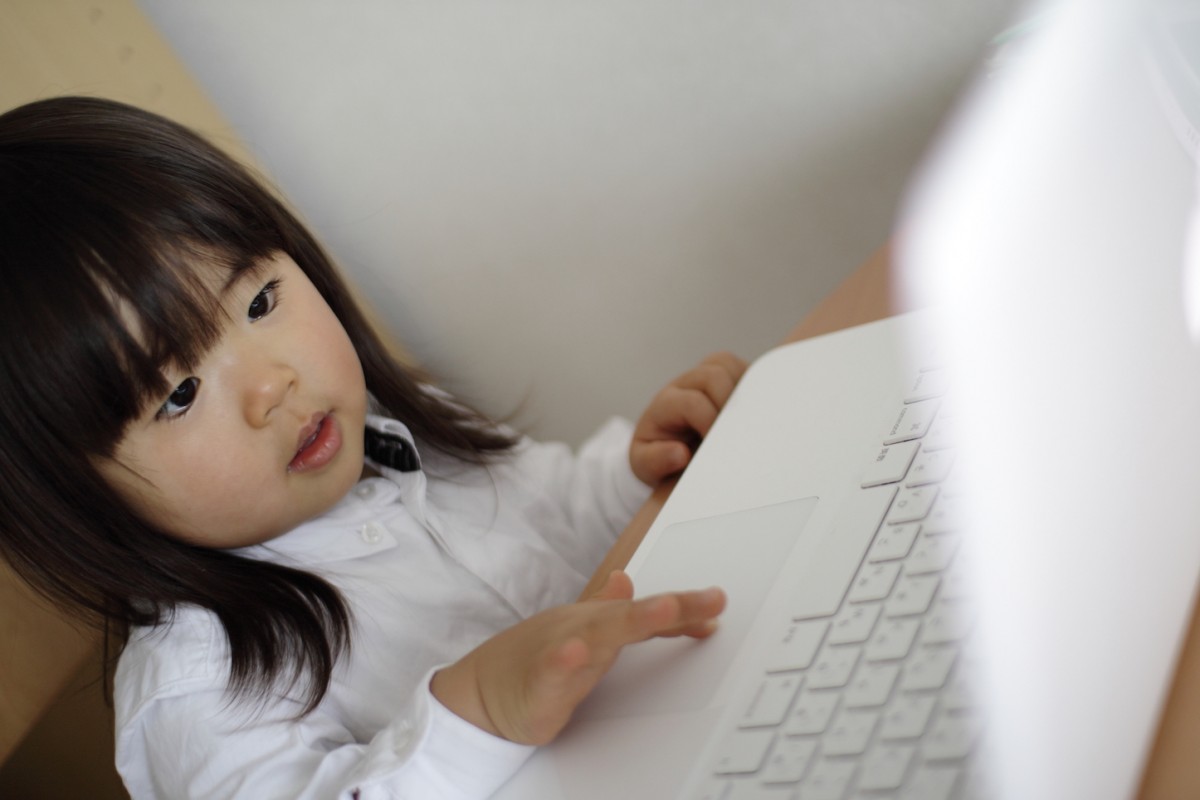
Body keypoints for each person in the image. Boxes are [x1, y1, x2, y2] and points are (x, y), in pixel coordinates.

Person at [0, 96, 746, 799]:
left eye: (259, 303)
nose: (273, 385)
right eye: (180, 395)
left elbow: (559, 515)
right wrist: (478, 710)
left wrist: (639, 471)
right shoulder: (197, 690)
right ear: (74, 498)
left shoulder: (399, 437)